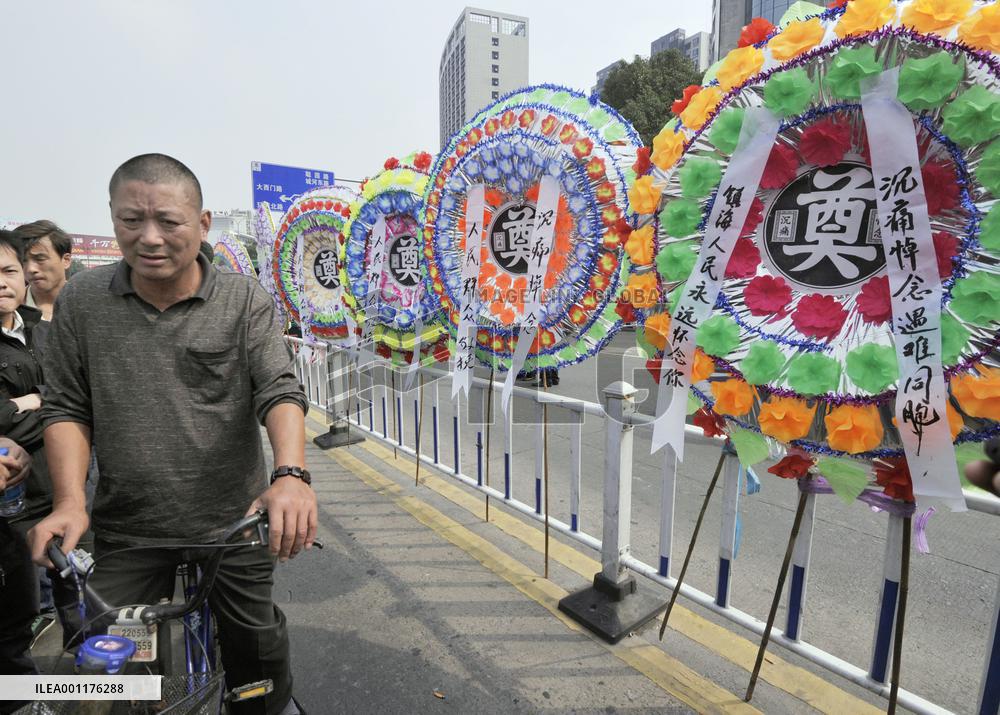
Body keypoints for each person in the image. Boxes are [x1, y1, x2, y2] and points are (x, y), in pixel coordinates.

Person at [29, 154, 316, 715]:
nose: (150, 238)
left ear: (203, 223)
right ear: (113, 220)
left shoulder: (243, 299)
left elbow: (280, 391)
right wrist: (68, 502)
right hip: (129, 525)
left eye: (168, 220)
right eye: (131, 221)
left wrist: (290, 475)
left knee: (256, 659)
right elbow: (66, 406)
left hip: (234, 523)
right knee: (110, 672)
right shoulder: (82, 303)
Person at [11, 220, 73, 322]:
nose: (31, 269)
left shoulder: (89, 303)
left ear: (66, 260)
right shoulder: (10, 310)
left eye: (40, 259)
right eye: (23, 261)